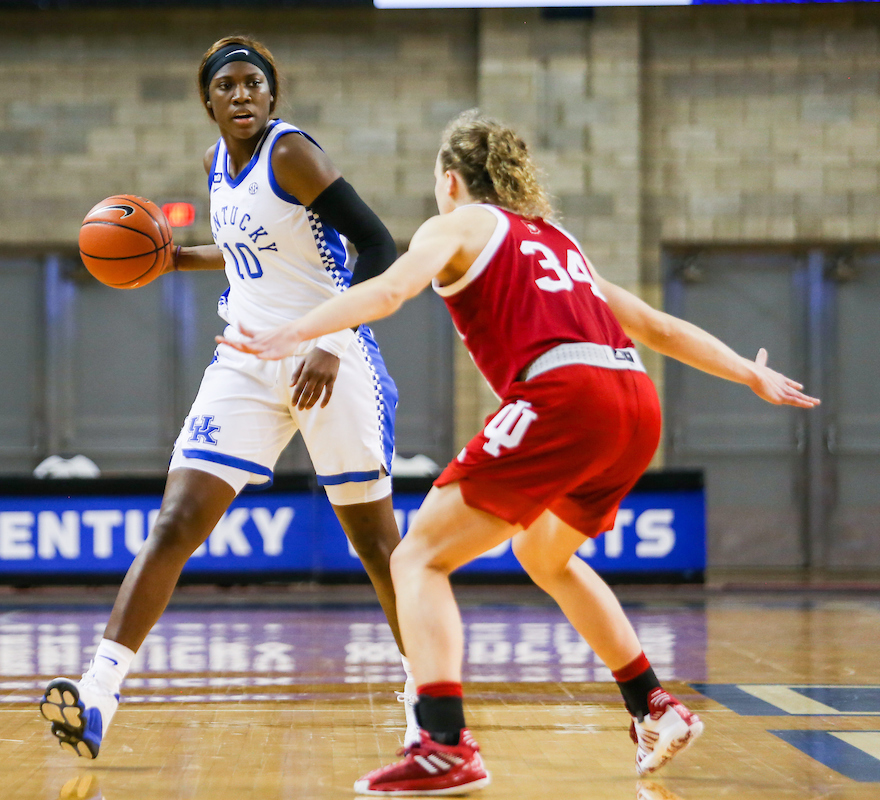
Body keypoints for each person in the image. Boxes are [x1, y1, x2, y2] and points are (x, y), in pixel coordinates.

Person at [224, 110, 819, 795]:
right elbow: (654, 326)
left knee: (416, 556)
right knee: (545, 554)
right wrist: (749, 370)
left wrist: (292, 332)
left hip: (565, 395)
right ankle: (652, 705)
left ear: (450, 181)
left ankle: (443, 744)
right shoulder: (560, 242)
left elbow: (387, 290)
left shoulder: (454, 226)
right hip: (632, 403)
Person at [40, 35, 420, 759]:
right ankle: (97, 695)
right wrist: (177, 256)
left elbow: (376, 246)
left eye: (253, 84)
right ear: (207, 101)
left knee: (374, 543)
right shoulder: (217, 165)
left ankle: (427, 697)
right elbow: (256, 247)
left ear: (272, 97)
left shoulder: (291, 154)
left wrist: (331, 343)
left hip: (330, 360)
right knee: (177, 520)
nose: (241, 95)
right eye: (227, 86)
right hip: (246, 361)